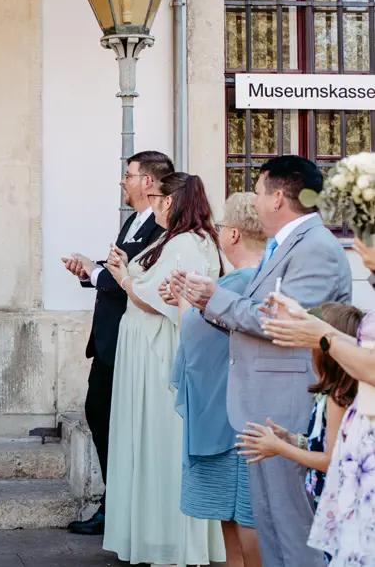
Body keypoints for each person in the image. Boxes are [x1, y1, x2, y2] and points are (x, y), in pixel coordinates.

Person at [174, 155, 352, 567]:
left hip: (286, 403)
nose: (252, 203)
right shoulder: (288, 244)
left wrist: (215, 298)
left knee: (292, 529)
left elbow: (282, 323)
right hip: (262, 403)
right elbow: (252, 319)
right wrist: (208, 304)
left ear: (277, 197)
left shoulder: (317, 248)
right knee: (270, 526)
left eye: (256, 192)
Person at [101, 172, 226, 566]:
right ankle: (150, 533)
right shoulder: (172, 238)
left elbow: (155, 300)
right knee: (146, 436)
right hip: (142, 344)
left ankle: (168, 539)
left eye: (153, 196)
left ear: (168, 201)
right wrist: (128, 268)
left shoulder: (188, 242)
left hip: (157, 349)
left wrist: (123, 279)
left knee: (158, 437)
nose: (149, 202)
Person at [61, 150, 171, 535]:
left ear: (147, 182)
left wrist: (95, 273)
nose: (123, 182)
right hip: (109, 340)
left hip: (129, 340)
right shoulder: (133, 221)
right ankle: (116, 502)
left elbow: (136, 279)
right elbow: (117, 270)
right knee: (100, 416)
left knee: (113, 422)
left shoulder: (161, 228)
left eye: (129, 175)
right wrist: (88, 270)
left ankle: (115, 509)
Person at [166, 192, 264, 567]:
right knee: (232, 513)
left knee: (242, 518)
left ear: (234, 234)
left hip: (230, 416)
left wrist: (184, 304)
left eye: (222, 225)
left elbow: (193, 337)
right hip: (237, 408)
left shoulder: (241, 282)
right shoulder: (252, 279)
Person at [258, 295, 375, 566]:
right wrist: (296, 440)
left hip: (338, 500)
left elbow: (330, 461)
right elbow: (329, 444)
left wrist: (279, 448)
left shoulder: (337, 398)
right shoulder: (334, 394)